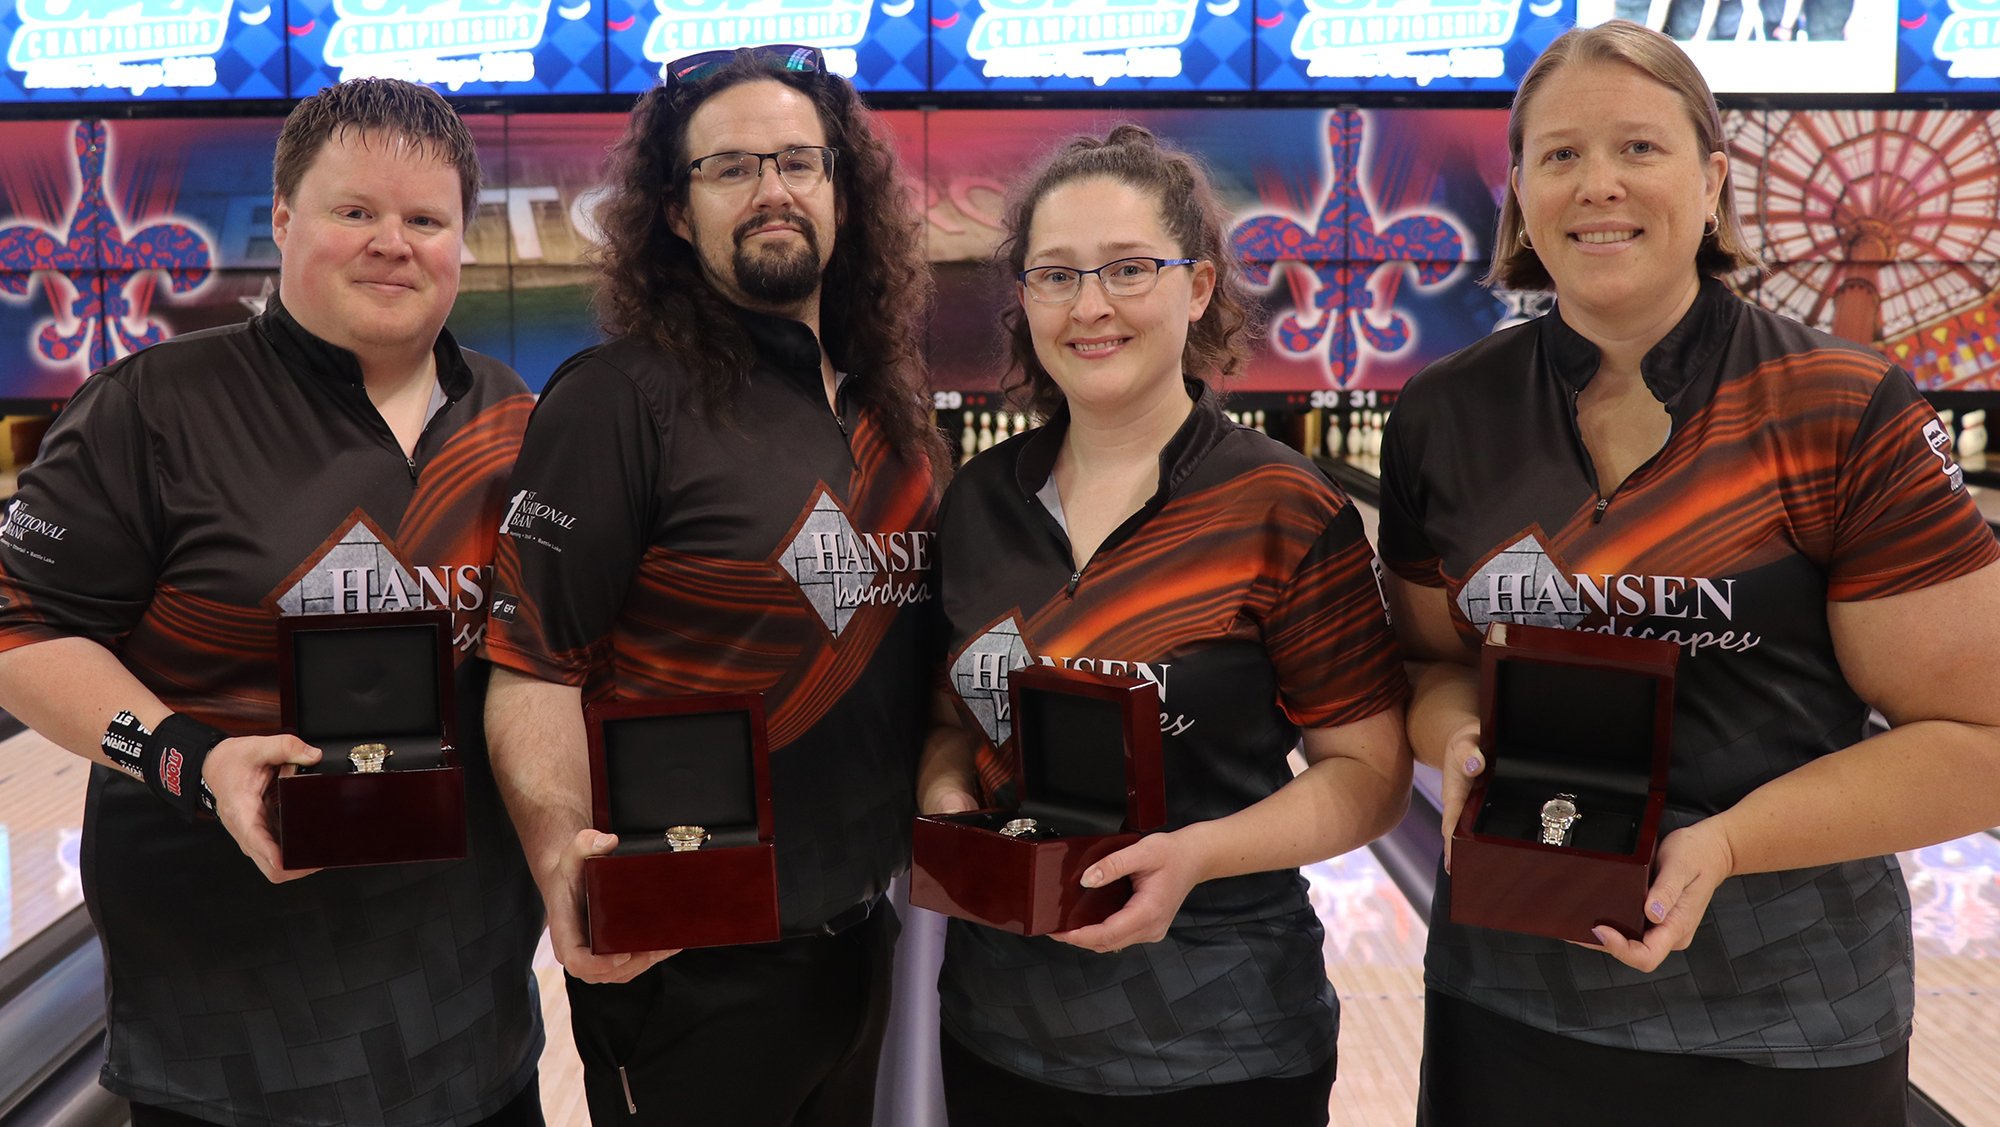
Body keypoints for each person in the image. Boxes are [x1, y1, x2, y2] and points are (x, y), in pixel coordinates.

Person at [1377, 22, 2000, 1127]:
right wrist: (1453, 740)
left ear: (1712, 180)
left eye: (1639, 148)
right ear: (1517, 192)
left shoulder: (1838, 406)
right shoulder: (1443, 412)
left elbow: (1977, 745)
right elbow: (1429, 660)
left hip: (1786, 1009)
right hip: (1505, 990)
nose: (1597, 184)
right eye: (1558, 155)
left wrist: (1721, 843)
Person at [0, 80, 547, 1126]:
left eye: (424, 220)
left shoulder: (511, 418)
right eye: (356, 212)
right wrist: (190, 756)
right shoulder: (152, 408)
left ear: (461, 246)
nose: (393, 243)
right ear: (286, 220)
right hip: (228, 1039)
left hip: (470, 1020)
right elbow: (21, 629)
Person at [479, 46, 947, 1127]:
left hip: (858, 936)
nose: (771, 188)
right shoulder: (619, 400)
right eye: (729, 167)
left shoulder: (892, 415)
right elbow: (532, 660)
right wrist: (559, 850)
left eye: (796, 160)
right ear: (677, 215)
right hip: (686, 959)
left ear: (841, 191)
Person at [918, 125, 1412, 1125]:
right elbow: (947, 721)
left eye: (1128, 269)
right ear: (1023, 298)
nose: (1088, 305)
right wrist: (941, 785)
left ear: (1196, 286)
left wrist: (1195, 853)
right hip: (996, 1027)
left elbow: (1369, 774)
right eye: (1054, 275)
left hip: (1221, 1040)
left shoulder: (1281, 503)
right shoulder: (976, 501)